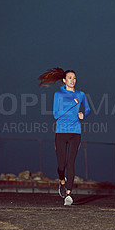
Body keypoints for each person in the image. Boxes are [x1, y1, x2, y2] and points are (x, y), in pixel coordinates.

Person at [38, 67, 91, 205]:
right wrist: (72, 104)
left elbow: (88, 109)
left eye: (74, 78)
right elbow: (56, 115)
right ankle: (62, 182)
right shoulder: (58, 95)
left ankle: (68, 194)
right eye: (69, 78)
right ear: (64, 80)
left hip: (75, 132)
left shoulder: (81, 94)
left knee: (70, 164)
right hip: (61, 132)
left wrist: (83, 114)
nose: (72, 80)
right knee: (61, 165)